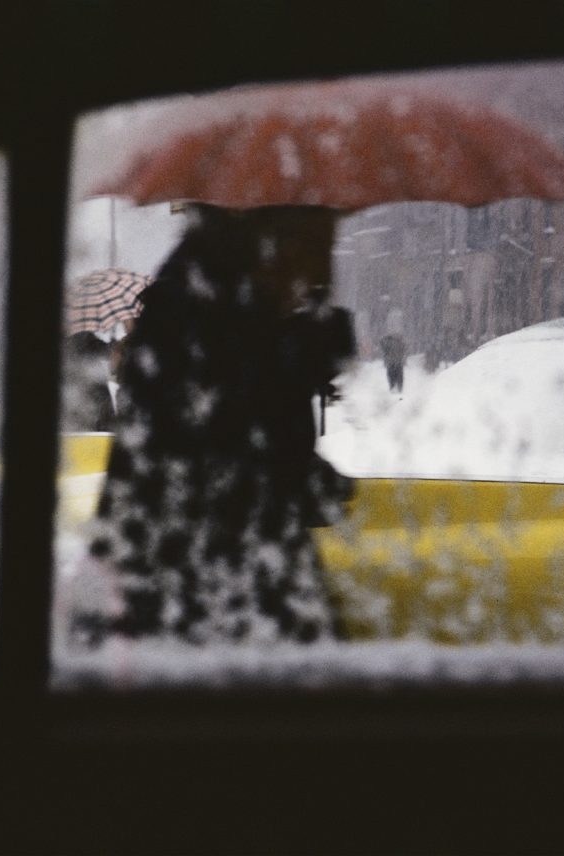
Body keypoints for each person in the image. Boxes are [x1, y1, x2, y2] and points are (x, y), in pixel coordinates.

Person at [71, 204, 355, 646]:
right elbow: (239, 473)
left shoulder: (216, 305)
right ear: (271, 238)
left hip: (192, 601)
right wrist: (295, 365)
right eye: (317, 245)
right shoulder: (208, 323)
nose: (321, 267)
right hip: (192, 612)